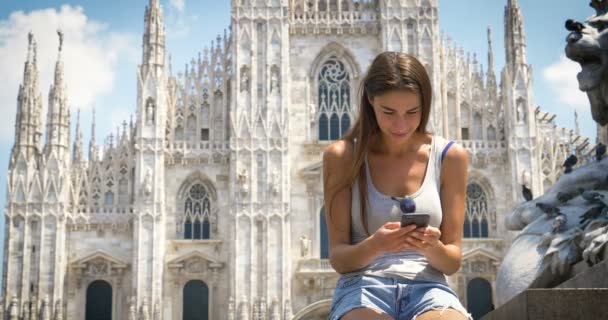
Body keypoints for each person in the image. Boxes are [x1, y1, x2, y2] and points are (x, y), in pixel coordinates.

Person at [323, 52, 471, 320]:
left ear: (425, 104)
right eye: (388, 112)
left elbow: (451, 262)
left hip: (430, 288)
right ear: (370, 101)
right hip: (362, 285)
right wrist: (376, 245)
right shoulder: (342, 157)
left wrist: (430, 246)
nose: (401, 125)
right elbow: (340, 259)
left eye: (412, 112)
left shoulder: (451, 157)